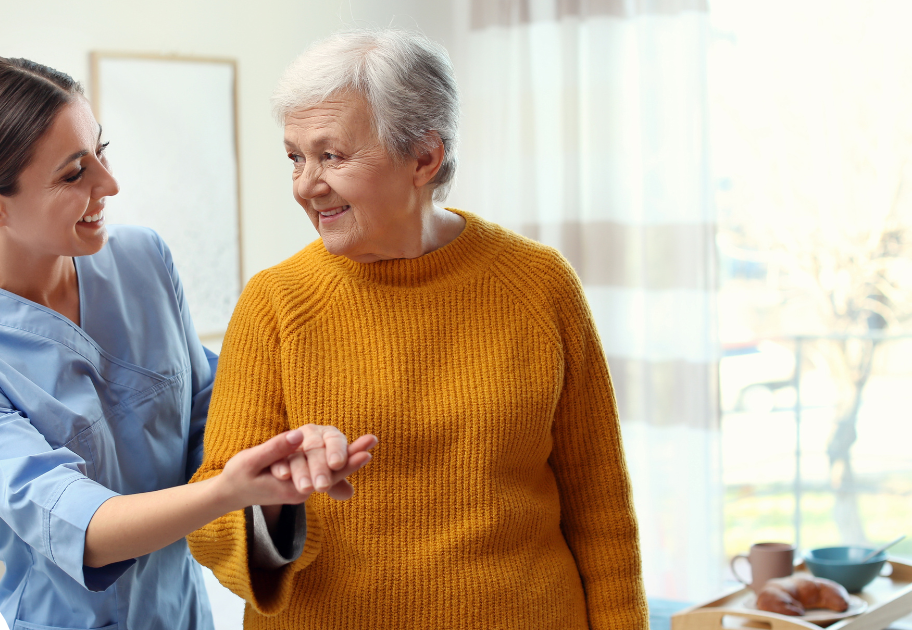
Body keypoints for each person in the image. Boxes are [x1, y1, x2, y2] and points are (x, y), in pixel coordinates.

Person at [0, 57, 375, 630]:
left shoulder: (143, 259)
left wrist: (280, 461)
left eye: (101, 151)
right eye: (74, 174)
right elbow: (81, 530)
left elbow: (206, 418)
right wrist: (228, 489)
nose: (109, 184)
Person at [188, 30, 649, 629]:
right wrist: (275, 499)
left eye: (333, 155)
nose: (306, 184)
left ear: (424, 158)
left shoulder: (539, 284)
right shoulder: (275, 302)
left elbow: (602, 509)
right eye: (296, 157)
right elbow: (213, 522)